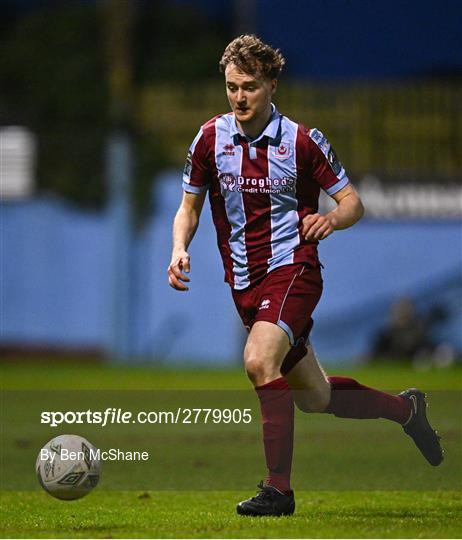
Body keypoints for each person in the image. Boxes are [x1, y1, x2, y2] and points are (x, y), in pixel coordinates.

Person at [168, 35, 443, 517]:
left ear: (272, 84)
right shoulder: (210, 138)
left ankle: (278, 491)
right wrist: (178, 248)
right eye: (232, 86)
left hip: (294, 270)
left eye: (250, 86)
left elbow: (353, 202)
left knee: (257, 360)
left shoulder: (301, 142)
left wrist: (331, 220)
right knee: (316, 398)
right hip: (246, 286)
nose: (239, 97)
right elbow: (189, 206)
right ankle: (407, 411)